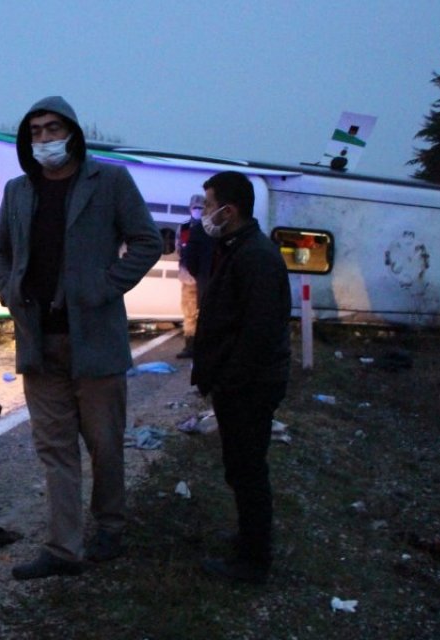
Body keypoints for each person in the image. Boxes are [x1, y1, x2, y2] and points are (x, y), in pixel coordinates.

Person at [0, 96, 161, 580]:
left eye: (52, 128)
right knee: (55, 449)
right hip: (40, 344)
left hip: (95, 339)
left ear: (73, 132)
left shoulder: (110, 182)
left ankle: (110, 526)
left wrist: (105, 287)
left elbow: (147, 240)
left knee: (104, 443)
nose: (43, 138)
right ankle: (64, 549)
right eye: (35, 131)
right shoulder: (18, 191)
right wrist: (8, 290)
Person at [190, 171, 292, 585]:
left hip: (249, 386)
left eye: (209, 205)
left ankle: (253, 561)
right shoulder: (237, 248)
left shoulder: (256, 256)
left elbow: (258, 332)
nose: (204, 213)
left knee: (248, 470)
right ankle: (248, 540)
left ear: (229, 211)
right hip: (240, 384)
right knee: (240, 467)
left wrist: (229, 381)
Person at [176, 193, 213, 358]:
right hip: (188, 277)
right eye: (195, 207)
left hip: (206, 276)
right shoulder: (184, 227)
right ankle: (189, 346)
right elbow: (180, 249)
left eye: (200, 207)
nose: (197, 210)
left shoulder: (210, 227)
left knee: (207, 312)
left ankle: (204, 346)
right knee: (189, 312)